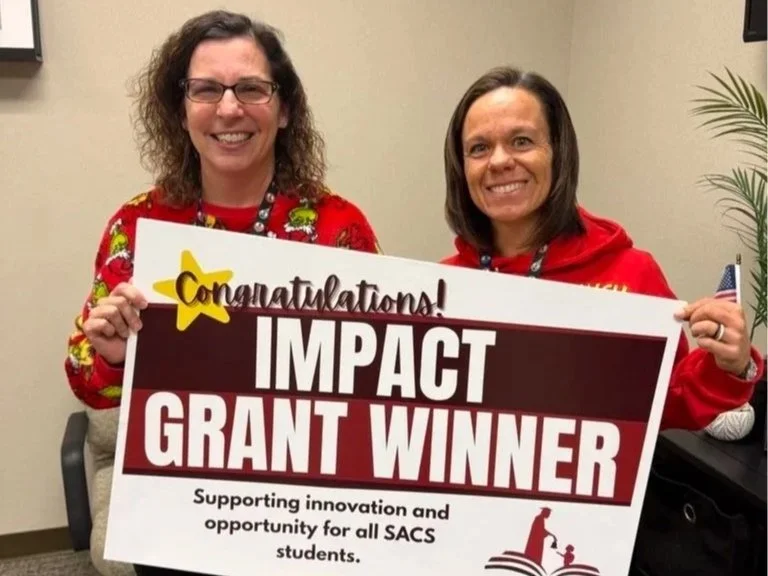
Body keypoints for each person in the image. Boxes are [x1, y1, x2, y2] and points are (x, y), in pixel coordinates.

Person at [64, 10, 380, 576]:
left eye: (251, 89)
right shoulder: (138, 226)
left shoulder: (339, 228)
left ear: (284, 109)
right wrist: (114, 355)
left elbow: (383, 381)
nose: (229, 109)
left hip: (303, 507)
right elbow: (86, 377)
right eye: (206, 89)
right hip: (176, 504)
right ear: (180, 109)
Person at [440, 66, 763, 432]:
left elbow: (669, 403)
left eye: (522, 141)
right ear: (461, 167)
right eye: (479, 148)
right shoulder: (439, 287)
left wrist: (730, 365)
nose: (499, 161)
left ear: (558, 152)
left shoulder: (632, 274)